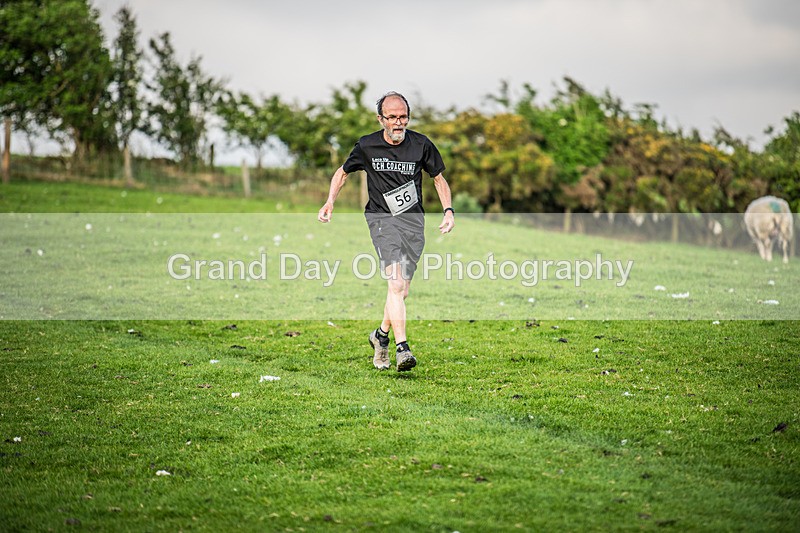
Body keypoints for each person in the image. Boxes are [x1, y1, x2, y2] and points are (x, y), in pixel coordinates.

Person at [318, 91, 455, 372]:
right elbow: (342, 173)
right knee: (394, 284)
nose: (398, 122)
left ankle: (380, 336)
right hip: (382, 220)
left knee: (401, 291)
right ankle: (402, 348)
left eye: (402, 116)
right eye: (391, 117)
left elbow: (438, 179)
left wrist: (448, 211)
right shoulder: (367, 146)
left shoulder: (422, 145)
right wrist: (330, 201)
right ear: (381, 118)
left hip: (413, 223)